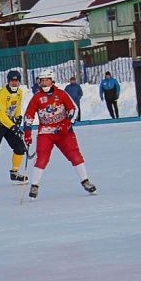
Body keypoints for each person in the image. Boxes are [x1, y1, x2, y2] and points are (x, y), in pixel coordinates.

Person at [23, 69, 97, 199]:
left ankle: (85, 181)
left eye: (47, 80)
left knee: (75, 155)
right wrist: (27, 132)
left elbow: (73, 109)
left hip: (64, 132)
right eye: (42, 80)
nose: (45, 83)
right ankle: (34, 186)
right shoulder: (37, 98)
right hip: (46, 132)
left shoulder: (61, 94)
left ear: (52, 80)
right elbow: (29, 115)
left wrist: (67, 123)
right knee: (42, 158)